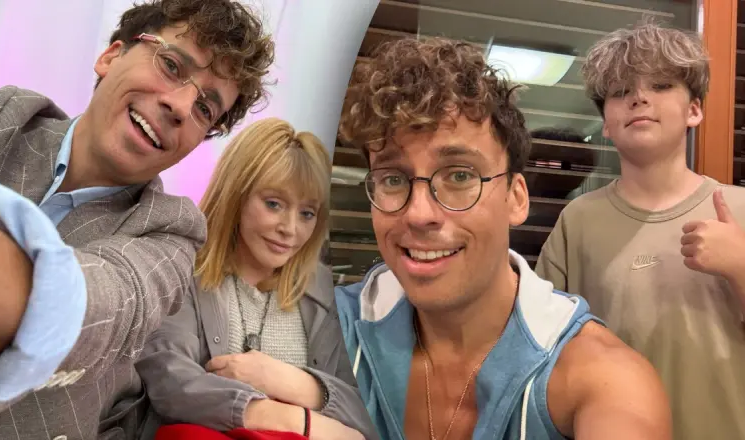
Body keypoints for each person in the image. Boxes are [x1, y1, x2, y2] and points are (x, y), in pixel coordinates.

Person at [0, 1, 273, 439]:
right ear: (111, 56)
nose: (180, 105)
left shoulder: (172, 231)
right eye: (172, 66)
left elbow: (103, 305)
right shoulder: (2, 119)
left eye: (205, 109)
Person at [334, 36, 672, 440]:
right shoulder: (331, 327)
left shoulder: (599, 378)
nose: (419, 214)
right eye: (392, 179)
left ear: (516, 198)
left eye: (460, 175)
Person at [535, 22, 745, 440]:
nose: (639, 98)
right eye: (620, 91)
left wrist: (741, 267)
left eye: (661, 85)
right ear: (606, 124)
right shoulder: (579, 220)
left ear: (694, 110)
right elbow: (540, 351)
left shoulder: (740, 209)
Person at [136, 118, 377, 440]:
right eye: (274, 204)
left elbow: (374, 407)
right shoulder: (180, 269)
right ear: (236, 195)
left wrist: (294, 382)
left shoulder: (331, 293)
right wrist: (288, 418)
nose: (290, 229)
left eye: (307, 213)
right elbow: (168, 379)